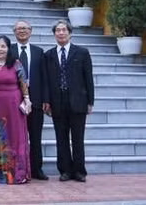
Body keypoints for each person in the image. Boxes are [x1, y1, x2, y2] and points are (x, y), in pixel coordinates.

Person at [43, 20, 94, 183]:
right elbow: (46, 81)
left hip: (78, 101)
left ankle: (79, 171)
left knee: (78, 138)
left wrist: (90, 101)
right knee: (61, 138)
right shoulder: (48, 55)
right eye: (57, 30)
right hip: (58, 102)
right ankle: (65, 170)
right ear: (54, 34)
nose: (61, 33)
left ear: (70, 33)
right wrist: (47, 101)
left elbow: (88, 77)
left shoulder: (82, 52)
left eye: (64, 30)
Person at [0, 35, 31, 184]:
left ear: (8, 48)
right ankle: (1, 173)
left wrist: (26, 99)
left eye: (3, 46)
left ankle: (19, 173)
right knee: (0, 138)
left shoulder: (16, 64)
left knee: (16, 137)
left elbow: (23, 83)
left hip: (14, 105)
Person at [10, 20, 48, 180]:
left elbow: (46, 77)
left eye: (25, 28)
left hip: (36, 101)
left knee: (35, 136)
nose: (22, 31)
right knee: (15, 137)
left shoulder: (39, 52)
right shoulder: (9, 51)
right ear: (14, 32)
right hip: (15, 100)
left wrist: (46, 99)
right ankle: (16, 168)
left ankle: (37, 169)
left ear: (31, 31)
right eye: (18, 29)